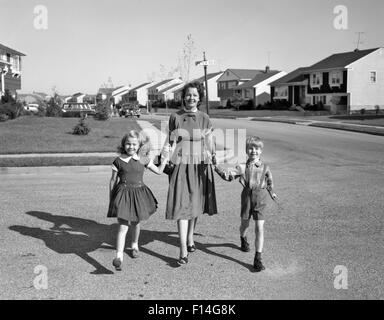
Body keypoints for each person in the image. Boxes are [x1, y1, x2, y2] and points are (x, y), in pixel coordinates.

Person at [165, 81, 218, 265]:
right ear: (183, 97)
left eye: (195, 95)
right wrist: (164, 158)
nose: (191, 98)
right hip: (180, 165)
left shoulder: (205, 118)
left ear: (199, 98)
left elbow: (210, 142)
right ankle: (183, 251)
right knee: (181, 206)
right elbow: (169, 142)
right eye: (188, 94)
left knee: (195, 204)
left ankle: (190, 238)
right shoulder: (175, 117)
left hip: (200, 166)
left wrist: (214, 156)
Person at [107, 130, 169, 271]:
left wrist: (165, 159)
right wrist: (111, 198)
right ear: (123, 144)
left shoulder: (143, 159)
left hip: (138, 194)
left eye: (134, 144)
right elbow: (112, 181)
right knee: (123, 226)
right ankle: (119, 256)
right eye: (128, 144)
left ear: (139, 145)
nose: (131, 147)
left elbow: (159, 171)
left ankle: (134, 244)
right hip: (122, 195)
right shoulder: (118, 161)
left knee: (135, 223)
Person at [214, 136, 278, 272]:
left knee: (259, 227)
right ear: (246, 151)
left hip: (260, 198)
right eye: (250, 148)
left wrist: (272, 192)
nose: (253, 151)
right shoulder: (242, 167)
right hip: (247, 197)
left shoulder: (266, 167)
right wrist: (216, 167)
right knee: (245, 224)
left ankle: (258, 258)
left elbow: (269, 182)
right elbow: (228, 176)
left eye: (257, 148)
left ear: (261, 151)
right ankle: (243, 237)